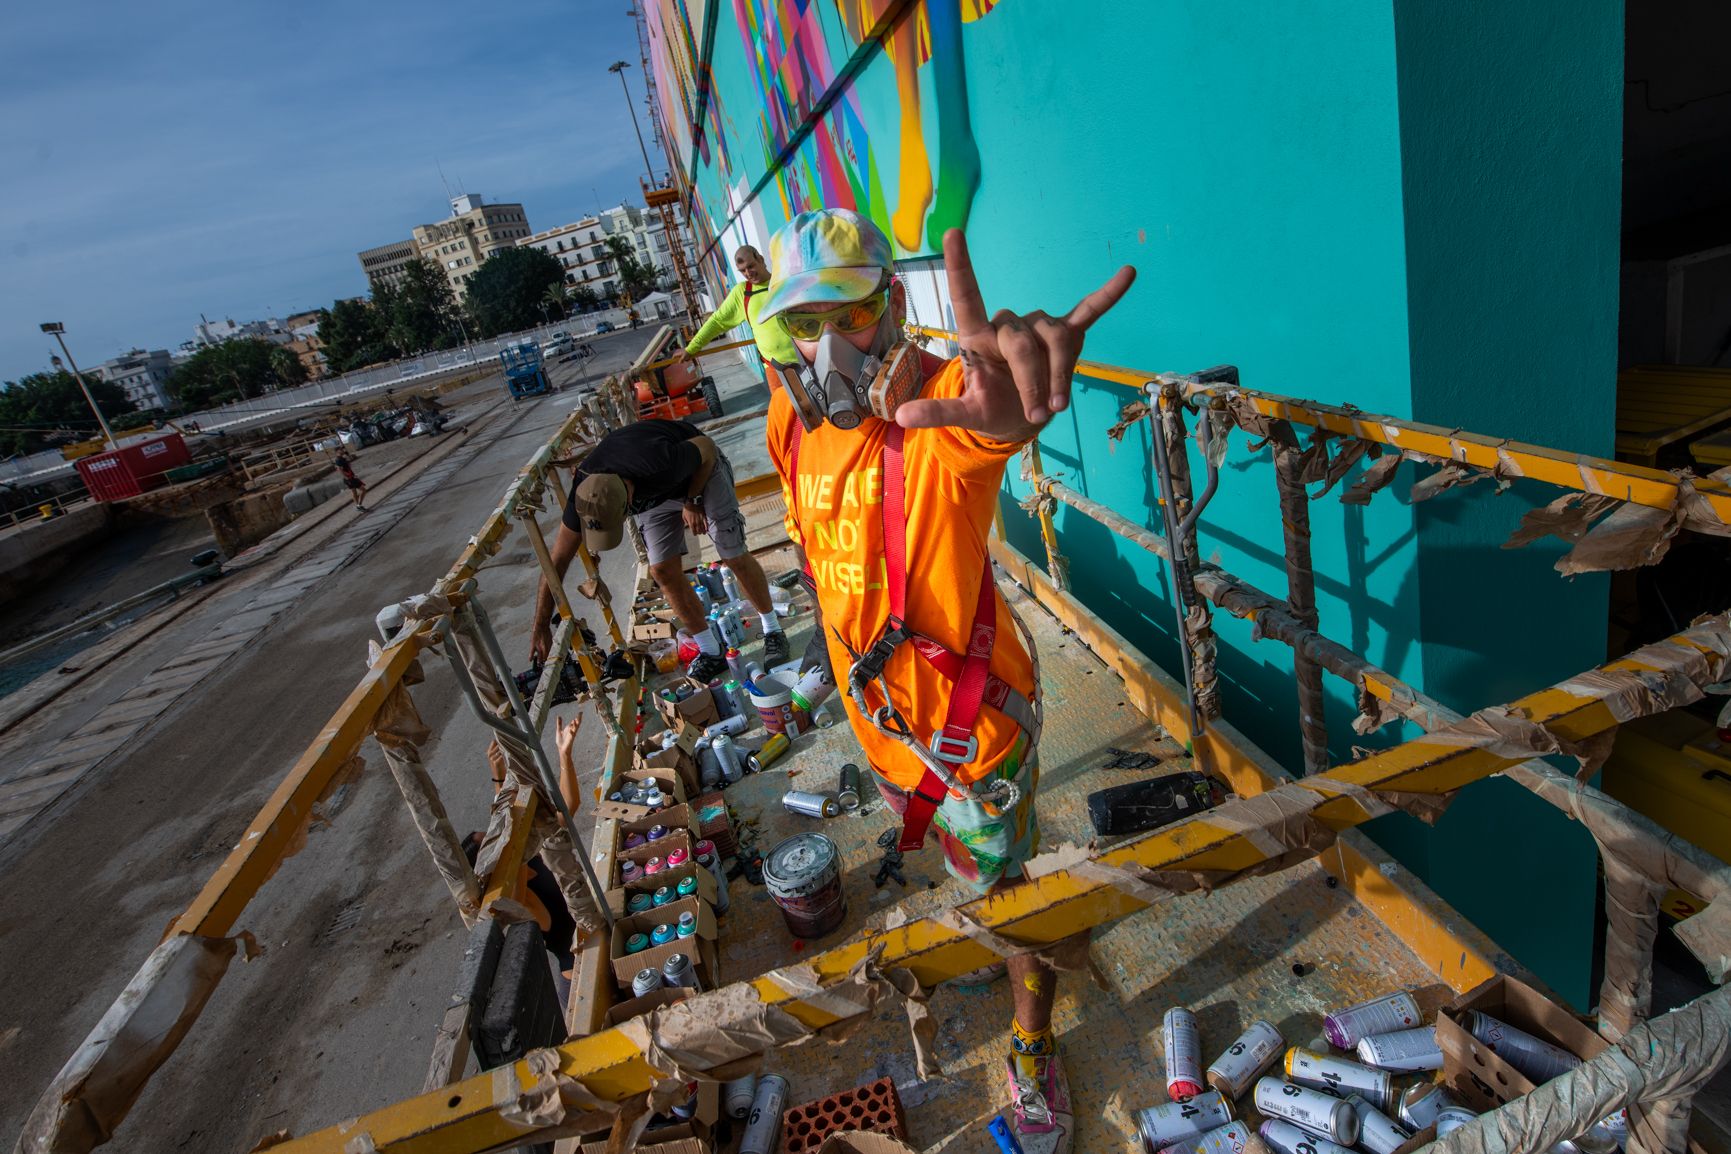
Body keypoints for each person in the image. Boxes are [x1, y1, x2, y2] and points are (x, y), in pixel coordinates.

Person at [758, 207, 1133, 1153]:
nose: (830, 347)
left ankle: (1032, 1043)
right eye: (805, 323)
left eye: (850, 314)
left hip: (973, 741)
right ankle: (979, 909)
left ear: (890, 303)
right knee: (969, 872)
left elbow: (985, 428)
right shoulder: (789, 428)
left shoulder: (938, 426)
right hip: (883, 730)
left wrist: (1010, 410)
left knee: (1018, 907)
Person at [530, 418, 790, 679]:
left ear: (629, 498)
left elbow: (707, 449)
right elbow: (557, 561)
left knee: (732, 555)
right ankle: (711, 651)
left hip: (701, 472)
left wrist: (693, 500)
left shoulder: (657, 460)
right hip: (657, 497)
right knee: (662, 571)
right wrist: (541, 626)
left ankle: (772, 630)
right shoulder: (586, 495)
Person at [676, 245, 799, 377]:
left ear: (761, 259)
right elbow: (717, 322)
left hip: (808, 360)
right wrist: (692, 348)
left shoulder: (785, 281)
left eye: (750, 266)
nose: (748, 273)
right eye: (742, 271)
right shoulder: (743, 293)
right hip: (775, 369)